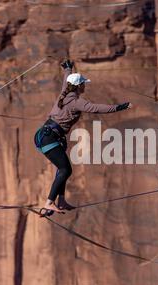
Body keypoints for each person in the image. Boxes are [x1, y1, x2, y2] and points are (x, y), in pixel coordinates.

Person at [34, 59, 132, 216]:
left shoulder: (65, 92)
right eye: (84, 83)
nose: (85, 85)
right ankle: (49, 202)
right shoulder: (77, 102)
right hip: (49, 138)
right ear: (79, 86)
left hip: (47, 136)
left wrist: (68, 68)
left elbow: (66, 79)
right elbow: (97, 108)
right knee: (65, 169)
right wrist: (120, 107)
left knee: (62, 170)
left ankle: (61, 200)